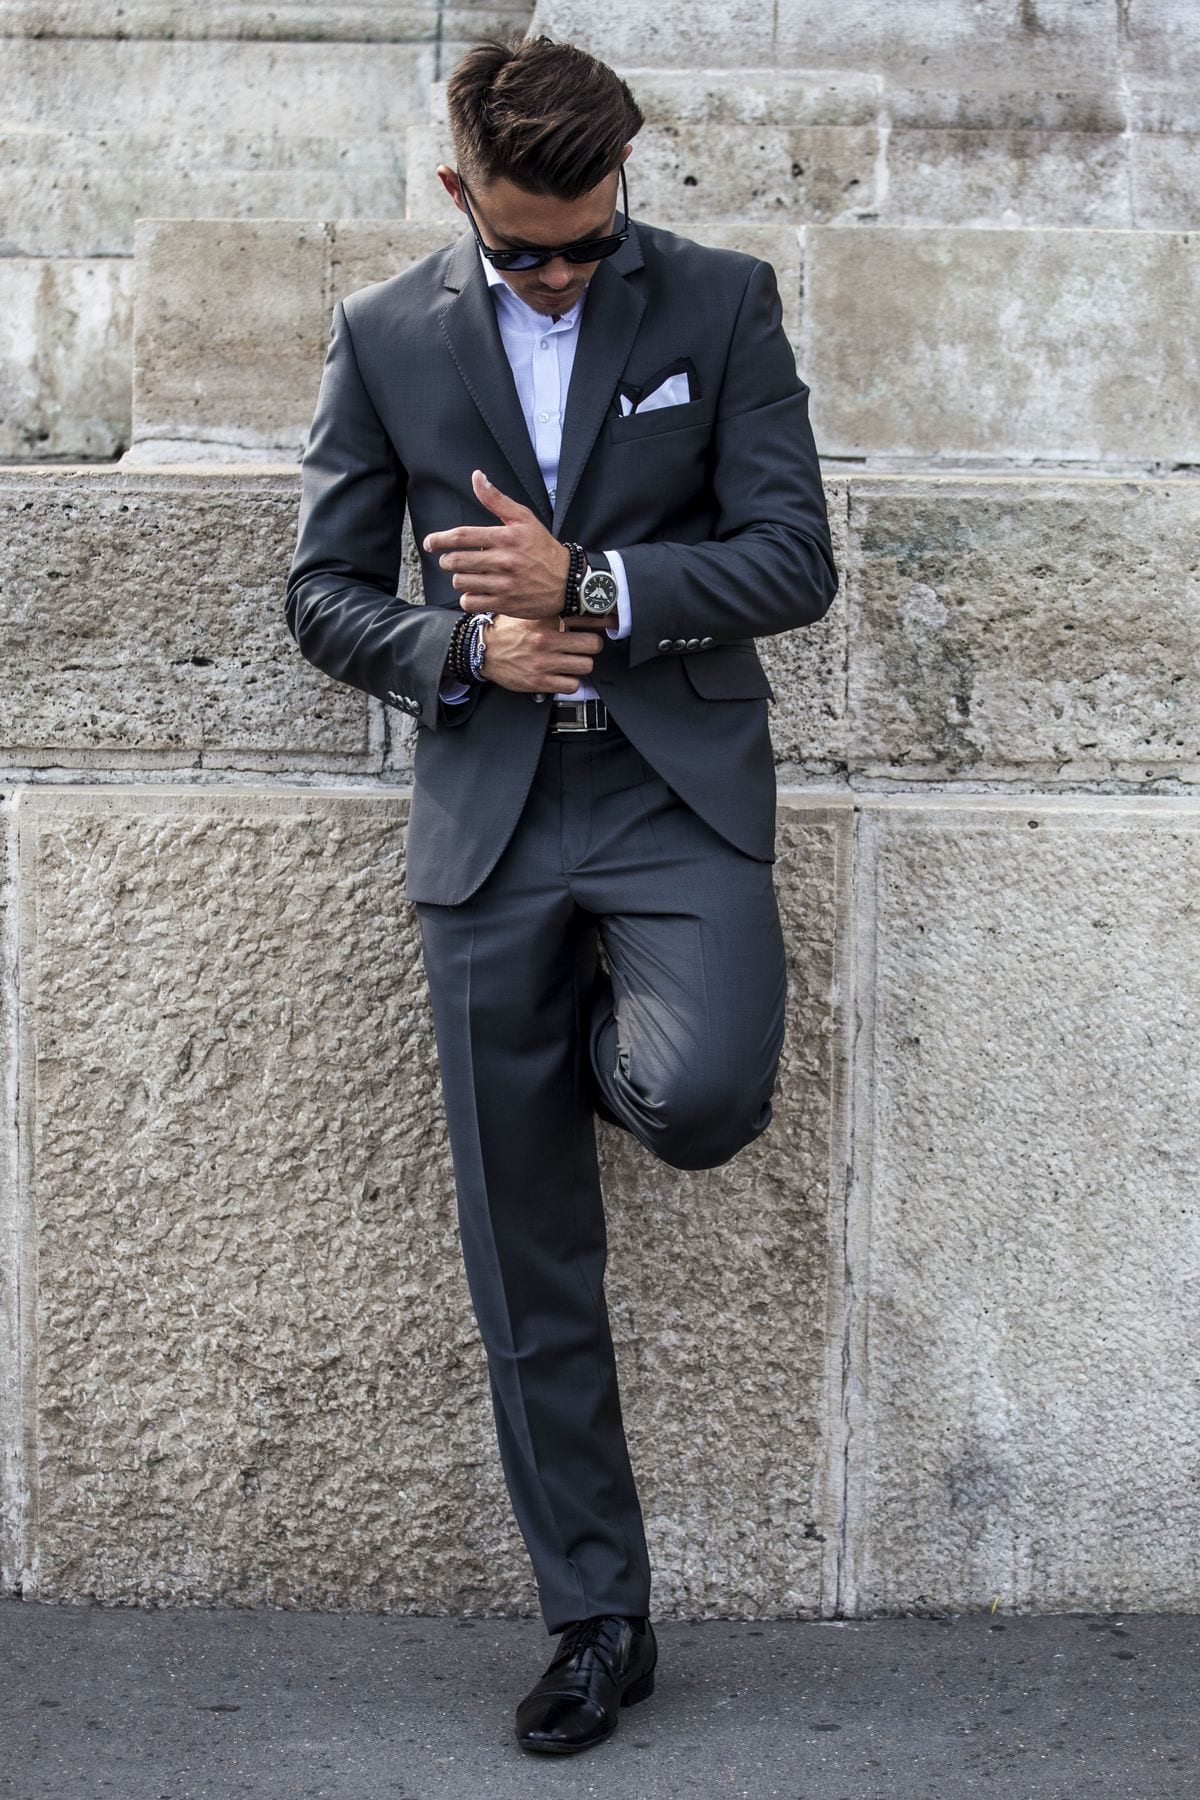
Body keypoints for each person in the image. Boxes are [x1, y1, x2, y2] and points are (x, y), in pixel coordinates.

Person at [285, 30, 838, 1757]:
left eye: (590, 239)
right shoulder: (386, 333)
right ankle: (598, 1618)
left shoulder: (724, 304)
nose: (563, 271)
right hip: (493, 820)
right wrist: (469, 649)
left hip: (672, 793)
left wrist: (588, 585)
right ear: (459, 190)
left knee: (704, 1093)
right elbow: (321, 595)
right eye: (526, 249)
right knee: (525, 1253)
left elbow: (793, 557)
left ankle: (615, 1031)